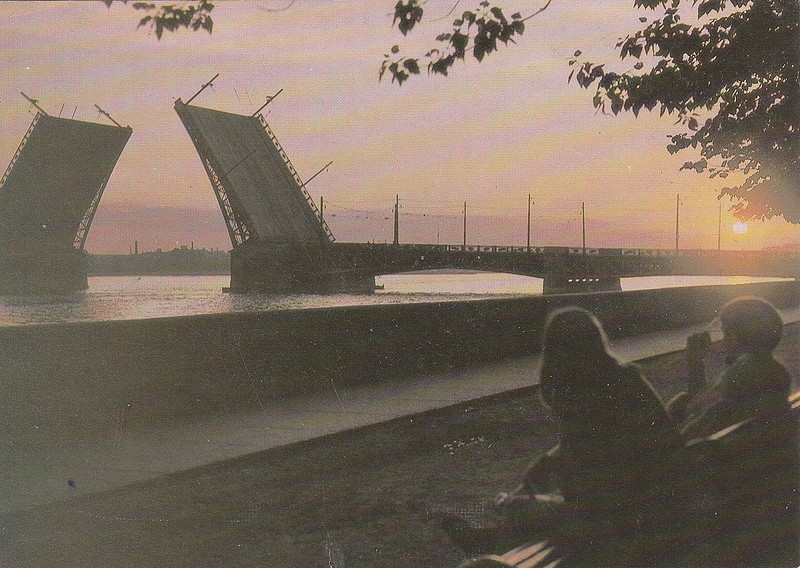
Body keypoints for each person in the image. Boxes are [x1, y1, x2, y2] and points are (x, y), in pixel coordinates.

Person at [440, 307, 684, 564]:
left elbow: (586, 486)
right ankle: (488, 539)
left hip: (625, 523)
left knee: (523, 510)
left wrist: (529, 495)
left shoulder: (584, 397)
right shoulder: (627, 379)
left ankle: (486, 542)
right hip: (661, 507)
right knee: (531, 508)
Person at [673, 296, 792, 438]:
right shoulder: (773, 372)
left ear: (734, 338)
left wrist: (695, 363)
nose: (723, 341)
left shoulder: (741, 380)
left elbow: (693, 423)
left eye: (725, 333)